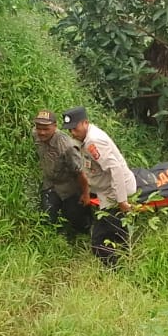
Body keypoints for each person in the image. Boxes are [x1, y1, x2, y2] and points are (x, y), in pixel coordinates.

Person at [62, 106, 136, 268]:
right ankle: (123, 265)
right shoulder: (84, 139)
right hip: (106, 192)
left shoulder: (94, 142)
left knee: (101, 239)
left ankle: (119, 268)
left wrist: (122, 201)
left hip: (114, 193)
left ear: (85, 123)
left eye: (75, 128)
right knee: (113, 235)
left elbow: (115, 169)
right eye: (70, 129)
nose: (73, 132)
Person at [33, 109, 91, 240]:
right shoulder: (35, 135)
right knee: (47, 217)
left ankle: (83, 238)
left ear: (55, 126)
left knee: (77, 218)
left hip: (69, 186)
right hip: (50, 183)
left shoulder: (67, 146)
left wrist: (86, 193)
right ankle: (51, 243)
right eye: (39, 128)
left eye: (46, 129)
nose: (41, 132)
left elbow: (80, 172)